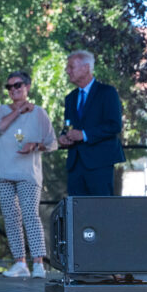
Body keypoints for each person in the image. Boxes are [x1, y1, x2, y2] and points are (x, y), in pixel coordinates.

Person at [0, 71, 57, 279]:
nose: (13, 90)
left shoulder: (39, 113)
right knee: (11, 217)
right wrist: (19, 110)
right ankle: (20, 263)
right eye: (9, 87)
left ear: (27, 87)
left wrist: (34, 146)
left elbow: (52, 143)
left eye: (18, 85)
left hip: (28, 173)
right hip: (2, 171)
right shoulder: (2, 110)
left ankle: (38, 263)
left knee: (30, 215)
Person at [58, 50, 124, 196]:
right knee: (76, 208)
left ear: (86, 68)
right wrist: (63, 137)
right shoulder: (70, 98)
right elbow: (68, 126)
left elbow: (114, 125)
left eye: (71, 67)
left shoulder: (107, 92)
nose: (67, 71)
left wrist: (84, 134)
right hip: (75, 165)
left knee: (101, 207)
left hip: (100, 163)